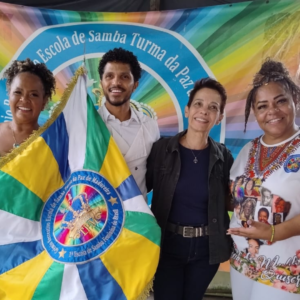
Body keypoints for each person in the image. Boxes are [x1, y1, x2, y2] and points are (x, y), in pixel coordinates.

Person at [146, 78, 234, 300]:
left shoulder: (223, 157)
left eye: (213, 107)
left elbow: (233, 200)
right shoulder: (161, 150)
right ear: (187, 110)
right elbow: (136, 190)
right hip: (167, 246)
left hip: (206, 251)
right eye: (198, 104)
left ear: (220, 117)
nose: (204, 111)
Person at [228, 59, 300, 299]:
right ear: (255, 112)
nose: (272, 111)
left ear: (295, 101)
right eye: (262, 106)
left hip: (285, 268)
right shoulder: (248, 149)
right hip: (242, 261)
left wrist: (273, 233)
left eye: (280, 101)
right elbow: (236, 198)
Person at [97, 48, 160, 201]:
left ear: (135, 85)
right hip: (97, 219)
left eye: (124, 77)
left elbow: (153, 176)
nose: (116, 83)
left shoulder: (150, 126)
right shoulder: (87, 124)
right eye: (109, 76)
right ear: (101, 82)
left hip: (137, 219)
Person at [0, 58, 55, 156]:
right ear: (9, 96)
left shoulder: (51, 143)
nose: (24, 100)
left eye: (33, 94)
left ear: (44, 102)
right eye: (18, 92)